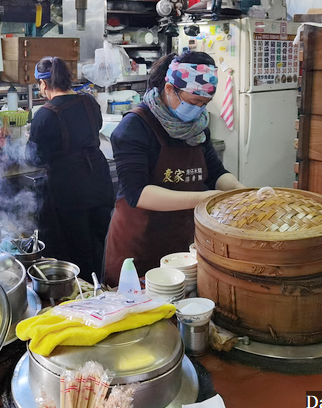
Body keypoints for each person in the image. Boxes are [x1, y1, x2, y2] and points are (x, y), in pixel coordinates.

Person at [103, 51, 244, 286]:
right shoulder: (135, 127)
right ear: (170, 89)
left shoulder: (197, 128)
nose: (199, 110)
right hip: (139, 245)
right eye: (193, 102)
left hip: (181, 243)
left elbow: (217, 173)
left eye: (204, 104)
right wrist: (204, 198)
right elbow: (137, 193)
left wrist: (241, 192)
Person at [28, 56, 114, 281]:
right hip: (99, 179)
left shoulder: (45, 115)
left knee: (74, 246)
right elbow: (95, 128)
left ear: (44, 84)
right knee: (100, 238)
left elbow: (33, 158)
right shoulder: (89, 102)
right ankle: (104, 284)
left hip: (69, 187)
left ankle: (81, 290)